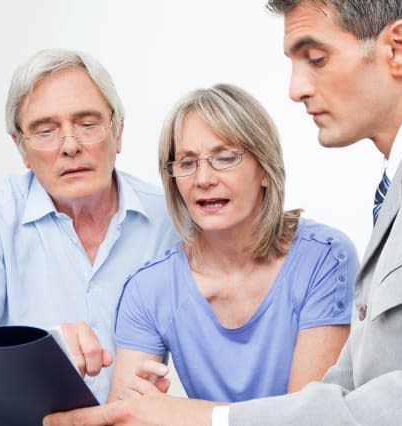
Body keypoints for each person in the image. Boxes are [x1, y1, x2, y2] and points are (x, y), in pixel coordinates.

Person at [44, 0, 402, 424]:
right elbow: (344, 393)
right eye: (188, 162)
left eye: (315, 58)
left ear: (398, 48)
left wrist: (207, 419)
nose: (295, 89)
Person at [0, 48, 178, 402]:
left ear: (118, 133)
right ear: (21, 148)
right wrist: (40, 352)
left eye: (88, 124)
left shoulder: (173, 217)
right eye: (45, 131)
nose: (70, 146)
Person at [107, 83, 358, 403]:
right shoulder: (148, 288)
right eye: (187, 163)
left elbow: (308, 417)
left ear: (266, 170)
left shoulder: (325, 259)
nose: (203, 179)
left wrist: (176, 417)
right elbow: (124, 414)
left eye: (224, 158)